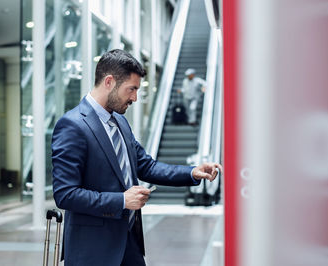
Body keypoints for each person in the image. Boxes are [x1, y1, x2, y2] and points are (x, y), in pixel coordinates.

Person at [51, 49, 222, 266]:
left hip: (129, 245)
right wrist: (122, 200)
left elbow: (146, 166)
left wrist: (191, 172)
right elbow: (65, 194)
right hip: (93, 251)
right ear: (109, 82)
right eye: (131, 89)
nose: (134, 98)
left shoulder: (120, 122)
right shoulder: (73, 125)